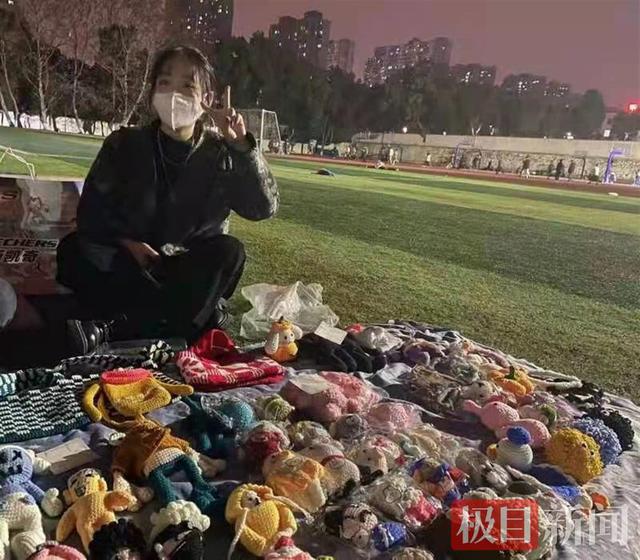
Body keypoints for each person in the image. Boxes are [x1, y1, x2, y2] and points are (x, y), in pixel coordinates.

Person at [56, 45, 279, 346]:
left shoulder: (221, 153)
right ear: (152, 93)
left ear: (206, 99)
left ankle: (116, 327)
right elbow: (90, 213)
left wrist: (241, 146)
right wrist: (128, 244)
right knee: (73, 251)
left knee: (230, 252)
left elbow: (262, 208)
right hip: (131, 263)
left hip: (186, 270)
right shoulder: (124, 144)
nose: (174, 94)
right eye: (165, 82)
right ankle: (186, 321)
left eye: (187, 86)